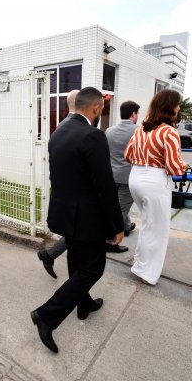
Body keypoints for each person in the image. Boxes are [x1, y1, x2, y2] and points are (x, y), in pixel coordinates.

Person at [30, 87, 124, 353]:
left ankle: (83, 304)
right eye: (101, 109)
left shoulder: (58, 132)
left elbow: (58, 176)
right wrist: (117, 226)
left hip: (65, 213)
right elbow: (104, 186)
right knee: (92, 269)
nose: (101, 113)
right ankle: (47, 315)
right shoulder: (93, 136)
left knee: (76, 264)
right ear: (95, 108)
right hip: (86, 219)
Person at [124, 89, 186, 286]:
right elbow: (174, 167)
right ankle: (147, 272)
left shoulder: (140, 129)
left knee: (148, 225)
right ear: (170, 106)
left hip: (135, 177)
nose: (179, 107)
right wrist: (184, 166)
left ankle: (140, 263)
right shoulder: (169, 132)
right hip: (154, 181)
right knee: (157, 229)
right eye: (177, 104)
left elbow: (127, 155)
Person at [37, 89, 79, 279]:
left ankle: (49, 255)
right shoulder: (74, 128)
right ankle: (49, 256)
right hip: (73, 193)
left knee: (75, 235)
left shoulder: (60, 127)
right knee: (77, 234)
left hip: (63, 190)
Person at [105, 101, 140, 253]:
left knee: (117, 206)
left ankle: (126, 226)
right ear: (133, 114)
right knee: (120, 211)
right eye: (137, 113)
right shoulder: (139, 131)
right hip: (128, 177)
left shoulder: (109, 131)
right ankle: (110, 243)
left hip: (112, 176)